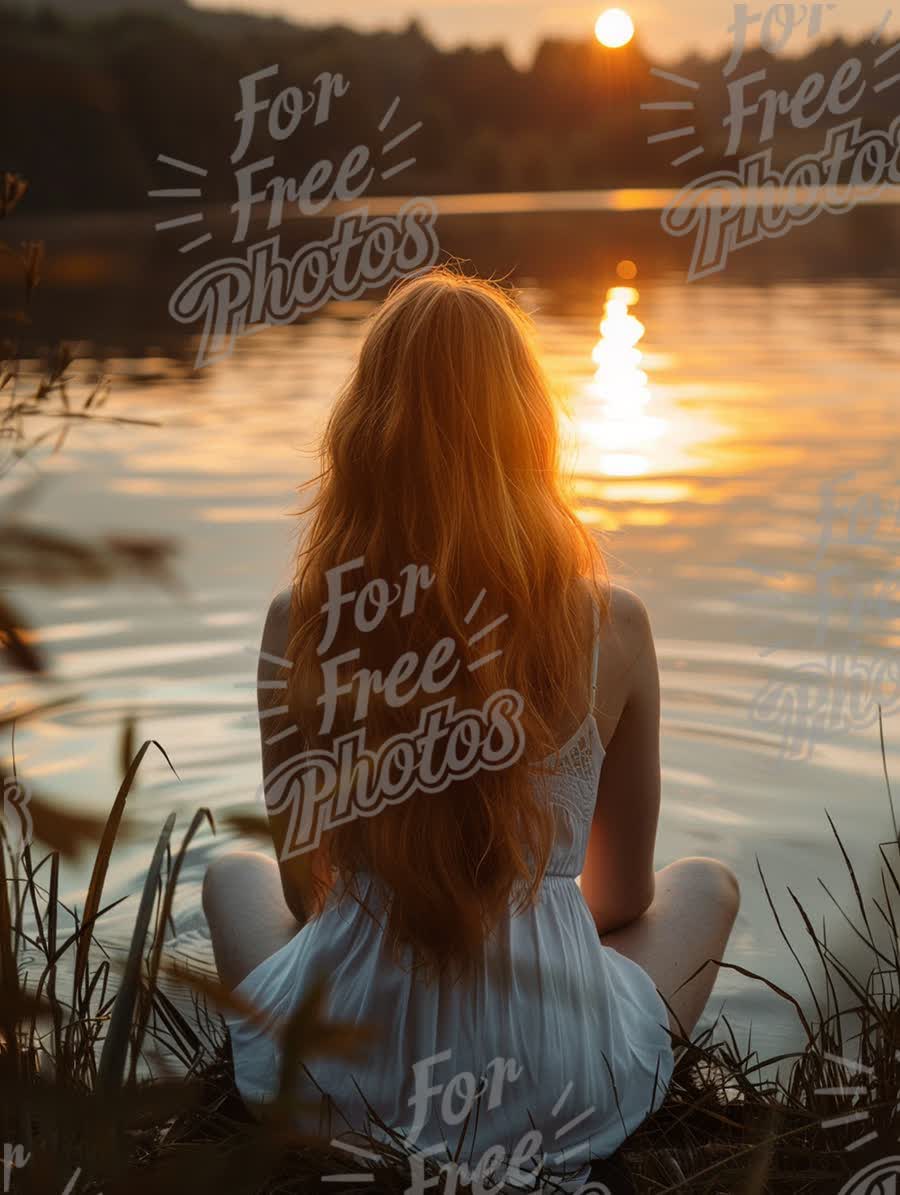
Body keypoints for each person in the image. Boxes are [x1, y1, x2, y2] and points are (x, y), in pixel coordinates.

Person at [203, 268, 739, 1188]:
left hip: (345, 1076)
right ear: (529, 432)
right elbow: (619, 901)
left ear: (367, 438)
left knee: (227, 874)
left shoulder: (300, 621)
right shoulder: (616, 625)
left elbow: (304, 893)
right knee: (709, 883)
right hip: (560, 1078)